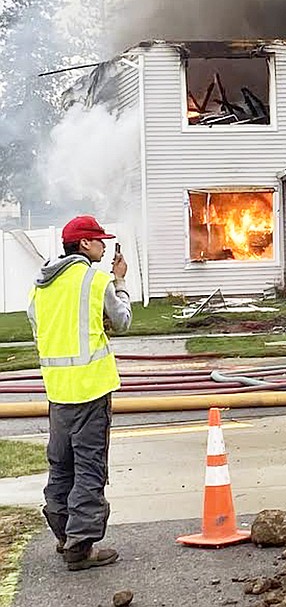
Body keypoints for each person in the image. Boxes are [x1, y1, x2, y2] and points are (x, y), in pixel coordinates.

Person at [27, 215, 132, 571]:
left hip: (57, 390)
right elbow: (122, 321)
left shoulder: (42, 284)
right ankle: (81, 546)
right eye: (99, 240)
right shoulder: (96, 279)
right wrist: (120, 283)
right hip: (91, 388)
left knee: (60, 466)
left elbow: (39, 326)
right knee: (89, 467)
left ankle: (63, 533)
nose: (104, 245)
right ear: (85, 244)